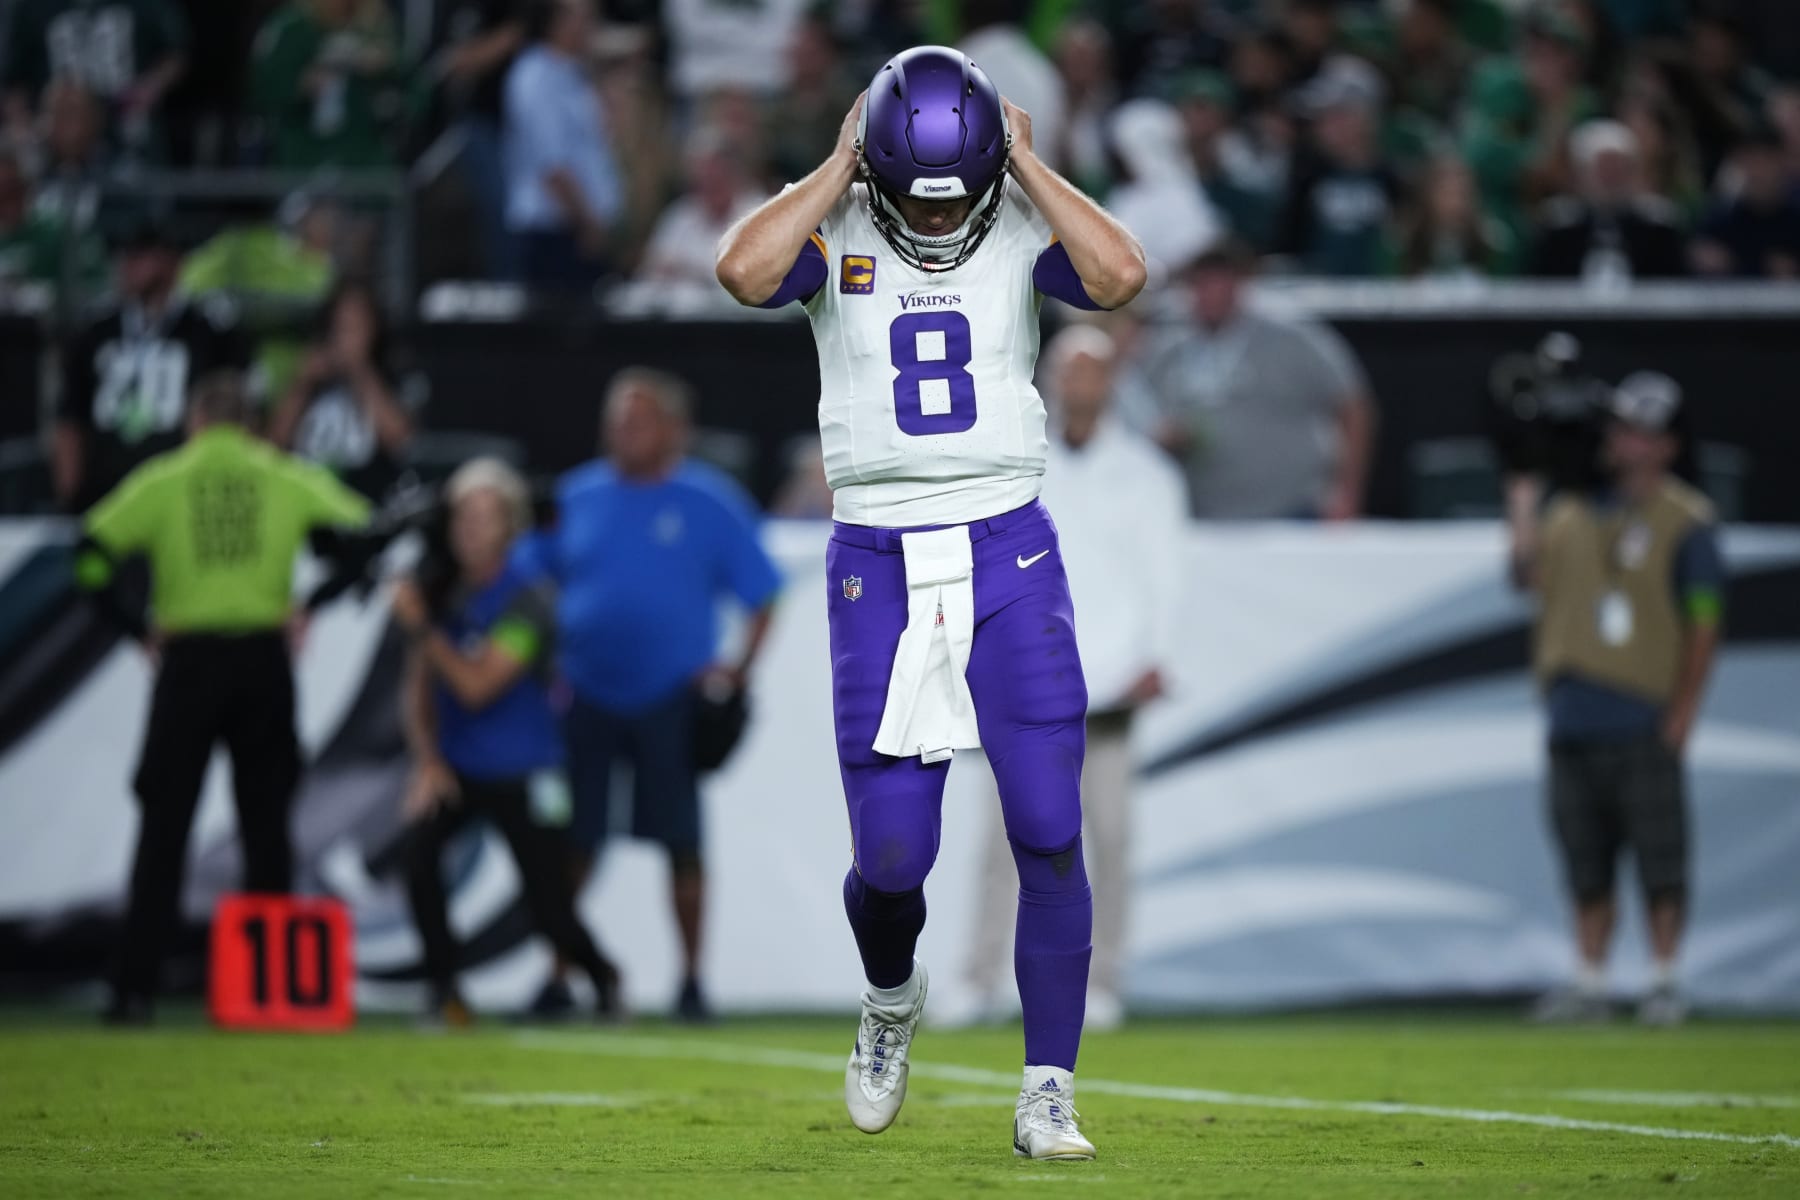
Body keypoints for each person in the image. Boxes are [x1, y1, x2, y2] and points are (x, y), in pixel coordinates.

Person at [716, 45, 1148, 1159]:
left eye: (957, 194)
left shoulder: (1015, 226)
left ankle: (1048, 1086)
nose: (938, 218)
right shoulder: (841, 226)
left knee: (1050, 824)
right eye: (910, 192)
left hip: (1008, 548)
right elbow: (742, 271)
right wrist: (840, 164)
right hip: (879, 562)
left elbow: (1121, 274)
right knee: (896, 858)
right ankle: (890, 998)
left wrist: (1032, 167)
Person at [74, 369, 371, 1023]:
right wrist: (313, 603)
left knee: (164, 825)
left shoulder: (167, 479)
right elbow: (362, 535)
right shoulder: (282, 474)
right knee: (267, 827)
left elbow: (89, 553)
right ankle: (270, 987)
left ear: (195, 423)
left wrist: (132, 626)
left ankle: (134, 988)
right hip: (263, 661)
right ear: (254, 425)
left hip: (189, 663)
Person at [936, 326, 1184, 1035]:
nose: (1078, 386)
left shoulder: (1147, 475)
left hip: (1109, 687)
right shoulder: (1017, 469)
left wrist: (1154, 656)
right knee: (1005, 843)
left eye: (1091, 373)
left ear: (1110, 384)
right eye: (1067, 372)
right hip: (1027, 680)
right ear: (1049, 380)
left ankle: (1101, 982)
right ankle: (979, 978)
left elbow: (1166, 576)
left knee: (1109, 836)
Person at [517, 368, 780, 1023]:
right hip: (585, 694)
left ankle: (692, 980)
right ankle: (559, 971)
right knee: (573, 842)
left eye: (638, 420)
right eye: (616, 419)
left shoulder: (707, 501)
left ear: (674, 430)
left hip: (669, 698)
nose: (623, 432)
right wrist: (538, 659)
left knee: (681, 842)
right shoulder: (575, 497)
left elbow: (763, 590)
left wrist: (736, 672)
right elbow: (524, 579)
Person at [390, 457, 621, 1027]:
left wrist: (423, 626)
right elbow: (416, 688)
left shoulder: (529, 600)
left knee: (547, 907)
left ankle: (602, 976)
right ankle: (446, 992)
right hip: (461, 767)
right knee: (417, 862)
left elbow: (476, 686)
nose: (469, 529)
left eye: (484, 517)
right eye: (462, 516)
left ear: (510, 527)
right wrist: (428, 760)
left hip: (527, 768)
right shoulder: (443, 593)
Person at [1526, 371, 1723, 1028]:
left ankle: (1664, 980)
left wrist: (1684, 709)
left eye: (1645, 432)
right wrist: (1521, 482)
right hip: (1573, 711)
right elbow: (1523, 573)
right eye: (1622, 429)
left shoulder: (1686, 521)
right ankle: (1592, 980)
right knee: (1586, 857)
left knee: (1659, 854)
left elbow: (1704, 619)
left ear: (1669, 445)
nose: (1629, 443)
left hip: (1642, 710)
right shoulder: (1570, 509)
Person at [1133, 238, 1375, 520]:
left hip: (1292, 512)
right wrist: (1166, 438)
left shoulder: (1289, 338)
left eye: (1219, 282)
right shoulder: (1167, 351)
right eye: (1201, 283)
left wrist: (1347, 494)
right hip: (1203, 519)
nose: (1210, 293)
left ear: (1240, 284)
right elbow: (1139, 421)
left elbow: (1354, 405)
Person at [54, 221, 248, 512]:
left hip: (184, 498)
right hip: (105, 494)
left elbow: (233, 414)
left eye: (139, 256)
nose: (127, 266)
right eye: (126, 257)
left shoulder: (209, 330)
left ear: (172, 261)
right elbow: (70, 419)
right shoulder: (95, 331)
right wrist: (69, 498)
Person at [503, 0, 623, 288]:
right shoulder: (536, 76)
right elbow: (552, 164)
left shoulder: (573, 74)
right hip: (556, 233)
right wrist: (586, 222)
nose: (591, 27)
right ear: (557, 22)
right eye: (584, 18)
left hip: (581, 229)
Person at [268, 279, 424, 500]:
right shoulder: (310, 381)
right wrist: (302, 384)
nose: (346, 337)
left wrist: (360, 371)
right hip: (308, 501)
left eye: (355, 327)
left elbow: (400, 441)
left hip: (369, 504)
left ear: (374, 329)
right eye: (340, 326)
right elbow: (273, 447)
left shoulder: (389, 374)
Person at [1530, 119, 1687, 283]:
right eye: (1602, 168)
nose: (1610, 178)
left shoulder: (1659, 227)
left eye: (1618, 168)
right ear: (1581, 174)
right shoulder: (1557, 226)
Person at [251, 0, 402, 170]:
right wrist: (303, 83)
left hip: (361, 154)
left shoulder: (374, 24)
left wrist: (383, 66)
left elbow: (406, 79)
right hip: (301, 152)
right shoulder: (292, 26)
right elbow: (262, 90)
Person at [635, 127, 767, 295]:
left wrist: (691, 272)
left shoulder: (762, 213)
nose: (709, 185)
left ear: (734, 173)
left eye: (716, 178)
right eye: (702, 180)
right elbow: (651, 274)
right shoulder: (679, 216)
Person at [1691, 130, 1800, 279]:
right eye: (1750, 162)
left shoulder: (1795, 222)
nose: (1758, 172)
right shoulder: (1718, 223)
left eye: (1765, 161)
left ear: (1782, 162)